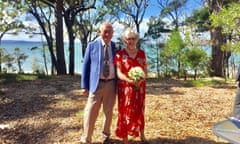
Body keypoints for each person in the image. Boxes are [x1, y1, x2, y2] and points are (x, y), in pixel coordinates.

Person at [80, 22, 117, 144]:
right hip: (96, 85)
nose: (107, 34)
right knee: (90, 112)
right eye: (104, 31)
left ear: (112, 33)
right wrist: (84, 86)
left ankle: (106, 136)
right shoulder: (92, 45)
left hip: (111, 84)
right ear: (100, 32)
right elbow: (85, 66)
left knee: (109, 112)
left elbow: (119, 66)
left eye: (109, 31)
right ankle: (86, 139)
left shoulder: (115, 46)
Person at [114, 27, 148, 144]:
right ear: (125, 40)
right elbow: (118, 73)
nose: (131, 41)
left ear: (137, 39)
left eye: (133, 38)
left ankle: (142, 136)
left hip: (140, 87)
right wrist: (129, 80)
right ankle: (125, 139)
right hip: (125, 88)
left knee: (140, 110)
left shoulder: (142, 53)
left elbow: (145, 71)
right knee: (125, 112)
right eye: (128, 38)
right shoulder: (120, 55)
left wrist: (141, 79)